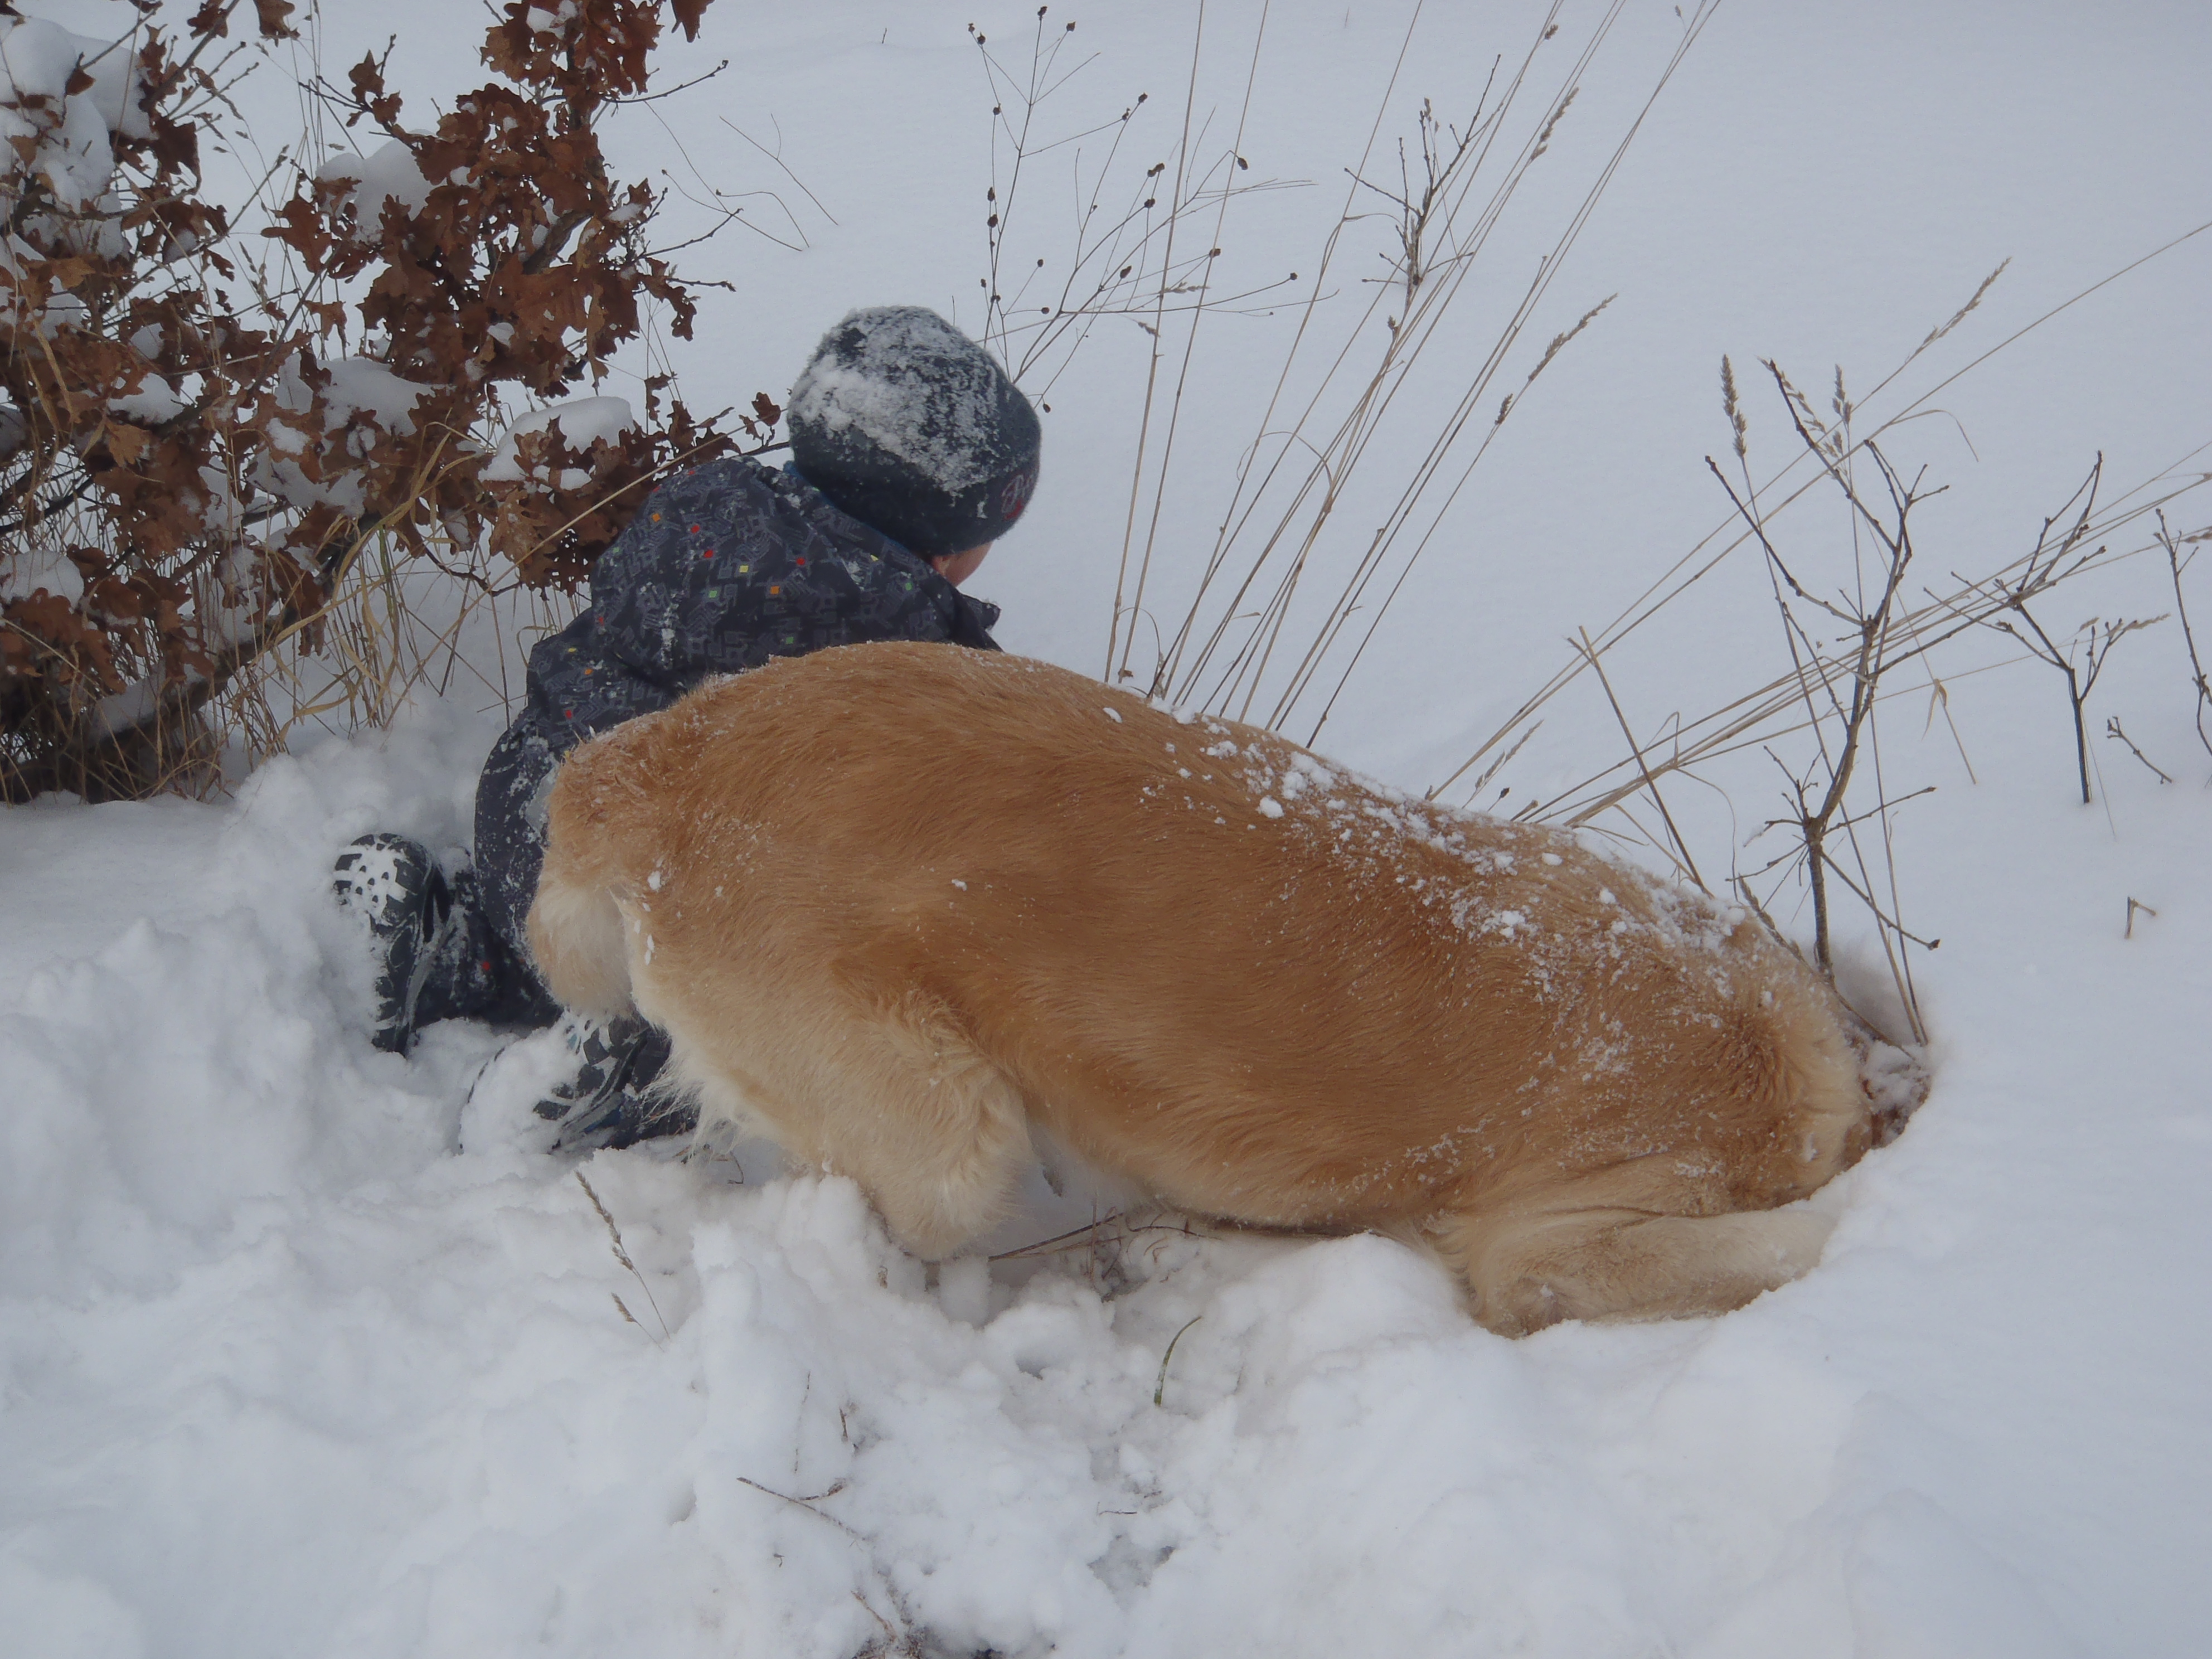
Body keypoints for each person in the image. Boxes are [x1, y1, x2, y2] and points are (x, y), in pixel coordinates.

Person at [333, 306, 1042, 1147]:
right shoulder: (922, 653)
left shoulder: (705, 507)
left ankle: (452, 940)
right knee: (753, 999)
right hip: (658, 914)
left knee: (534, 931)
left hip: (537, 809)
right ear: (951, 547)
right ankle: (634, 1070)